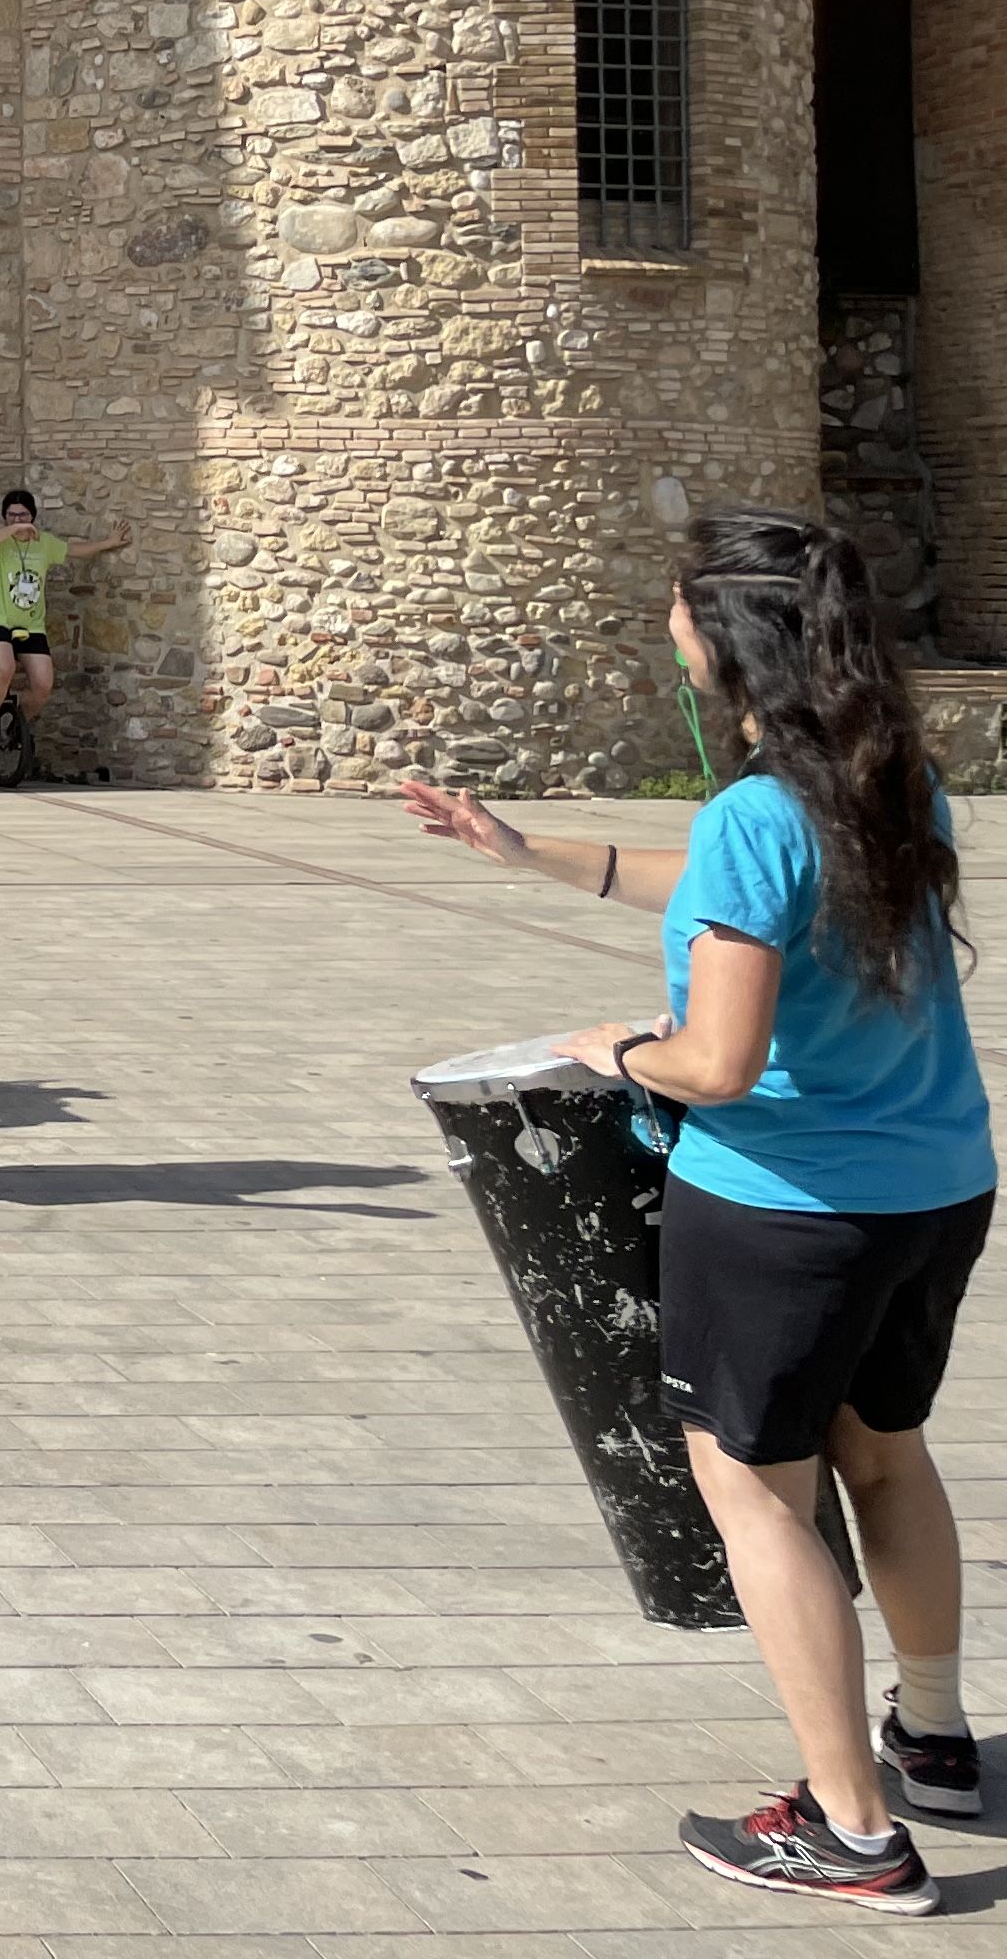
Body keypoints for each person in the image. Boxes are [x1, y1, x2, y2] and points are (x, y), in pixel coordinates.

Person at [403, 508, 986, 1914]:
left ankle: (850, 1831)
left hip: (786, 1208)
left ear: (729, 646)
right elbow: (735, 889)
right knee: (888, 1455)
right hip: (937, 1186)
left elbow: (717, 1063)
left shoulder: (754, 814)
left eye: (674, 628)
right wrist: (528, 851)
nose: (667, 650)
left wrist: (618, 1050)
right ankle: (940, 1739)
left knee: (756, 1489)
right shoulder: (894, 783)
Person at [0, 488, 125, 786]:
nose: (18, 519)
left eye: (23, 514)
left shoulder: (44, 545)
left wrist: (109, 542)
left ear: (34, 516)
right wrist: (14, 529)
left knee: (43, 684)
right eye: (12, 514)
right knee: (4, 668)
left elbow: (75, 550)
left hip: (30, 625)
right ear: (5, 517)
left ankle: (17, 724)